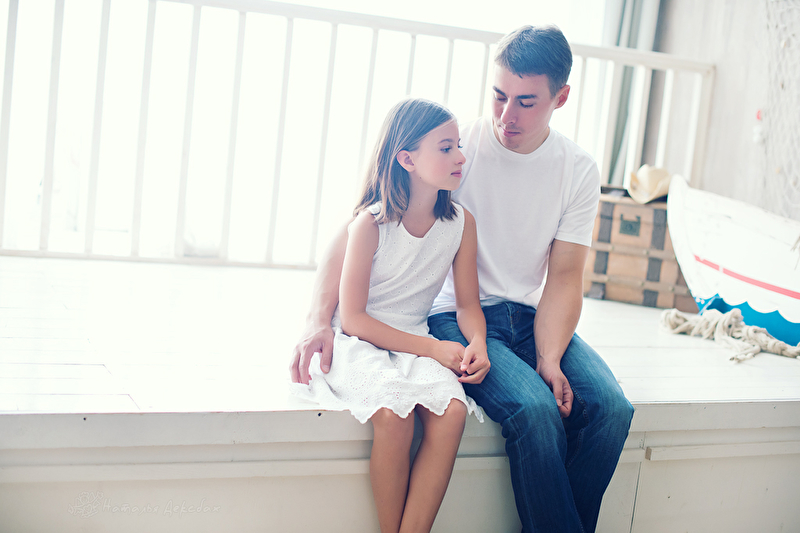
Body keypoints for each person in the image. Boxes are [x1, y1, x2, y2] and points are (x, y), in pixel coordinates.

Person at [291, 25, 634, 533]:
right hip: (451, 317)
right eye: (498, 96)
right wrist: (318, 319)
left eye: (525, 102)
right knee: (536, 411)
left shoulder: (578, 169)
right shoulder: (456, 148)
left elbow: (565, 276)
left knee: (612, 410)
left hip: (529, 317)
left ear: (560, 98)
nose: (506, 115)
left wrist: (550, 357)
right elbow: (356, 228)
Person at [291, 98, 490, 533]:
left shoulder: (461, 223)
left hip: (413, 340)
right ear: (407, 159)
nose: (460, 157)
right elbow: (355, 319)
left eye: (458, 145)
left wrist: (478, 342)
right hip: (359, 343)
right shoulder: (370, 224)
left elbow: (467, 306)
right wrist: (433, 349)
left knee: (453, 412)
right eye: (446, 148)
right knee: (394, 415)